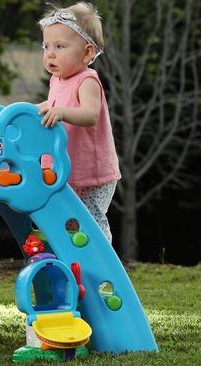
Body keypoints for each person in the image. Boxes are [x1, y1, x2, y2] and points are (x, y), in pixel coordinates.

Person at [36, 2, 120, 242]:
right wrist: (28, 111)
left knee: (90, 222)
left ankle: (103, 262)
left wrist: (62, 113)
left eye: (60, 46)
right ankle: (75, 264)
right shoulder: (57, 80)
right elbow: (51, 105)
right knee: (68, 223)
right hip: (67, 169)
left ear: (87, 53)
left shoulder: (87, 80)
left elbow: (90, 114)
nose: (50, 53)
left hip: (93, 173)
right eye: (46, 46)